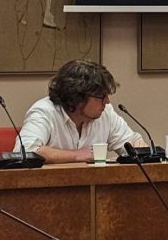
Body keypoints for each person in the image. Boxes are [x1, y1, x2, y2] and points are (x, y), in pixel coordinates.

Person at [15, 59, 145, 163]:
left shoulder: (106, 113)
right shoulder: (44, 112)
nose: (107, 102)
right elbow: (26, 151)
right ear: (77, 97)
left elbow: (130, 143)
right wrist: (76, 155)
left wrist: (140, 149)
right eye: (101, 96)